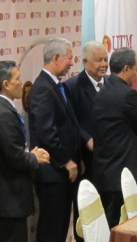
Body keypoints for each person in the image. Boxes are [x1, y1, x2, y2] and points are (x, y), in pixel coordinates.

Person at [91, 47, 137, 228]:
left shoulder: (102, 92)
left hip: (106, 169)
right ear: (126, 69)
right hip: (125, 172)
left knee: (111, 222)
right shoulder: (128, 95)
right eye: (136, 69)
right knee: (124, 224)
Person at [28, 37, 81, 242]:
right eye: (69, 58)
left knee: (59, 227)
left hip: (60, 173)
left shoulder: (57, 85)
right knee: (52, 227)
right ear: (56, 57)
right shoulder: (43, 87)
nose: (71, 63)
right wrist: (65, 161)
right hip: (52, 172)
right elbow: (46, 131)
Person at [0, 61, 50, 242]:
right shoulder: (4, 114)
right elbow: (14, 155)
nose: (22, 83)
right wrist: (34, 158)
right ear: (5, 84)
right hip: (9, 199)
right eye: (18, 79)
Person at [63, 41, 108, 183]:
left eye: (106, 59)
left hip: (112, 155)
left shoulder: (113, 83)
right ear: (85, 62)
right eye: (98, 60)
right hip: (87, 157)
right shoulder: (71, 87)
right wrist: (87, 139)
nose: (104, 64)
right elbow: (71, 122)